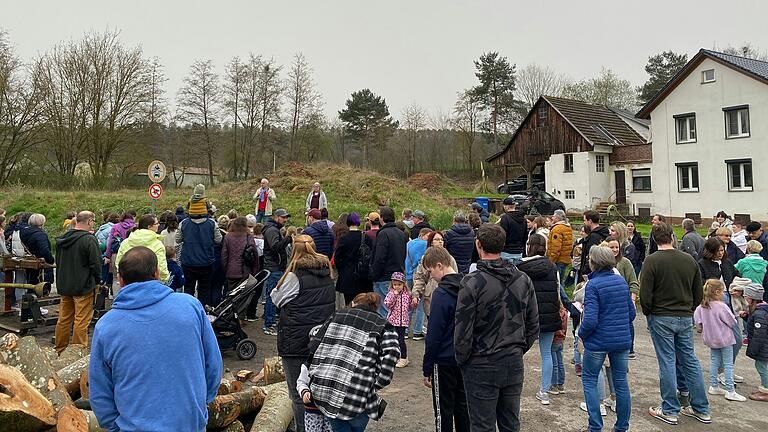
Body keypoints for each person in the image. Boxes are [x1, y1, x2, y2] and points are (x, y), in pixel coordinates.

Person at [89, 246, 222, 432]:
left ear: (120, 279)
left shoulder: (106, 326)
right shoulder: (190, 306)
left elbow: (99, 388)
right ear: (158, 273)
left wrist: (114, 426)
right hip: (189, 424)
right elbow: (213, 364)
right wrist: (200, 407)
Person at [455, 223, 539, 432]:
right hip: (511, 360)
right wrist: (517, 348)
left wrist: (464, 360)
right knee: (510, 423)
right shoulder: (523, 279)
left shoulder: (472, 282)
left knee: (482, 425)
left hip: (481, 362)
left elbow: (462, 329)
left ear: (478, 245)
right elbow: (533, 324)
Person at [640, 222, 711, 425]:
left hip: (661, 315)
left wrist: (649, 312)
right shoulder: (688, 260)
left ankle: (670, 409)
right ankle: (701, 408)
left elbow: (645, 294)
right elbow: (698, 291)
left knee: (667, 361)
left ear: (654, 239)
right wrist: (688, 308)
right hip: (684, 314)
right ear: (672, 237)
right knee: (689, 360)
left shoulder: (651, 261)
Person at [304, 292, 400, 431]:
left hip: (326, 388)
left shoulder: (337, 315)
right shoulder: (384, 326)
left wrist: (315, 373)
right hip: (358, 393)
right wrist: (376, 384)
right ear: (376, 308)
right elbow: (392, 354)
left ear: (355, 304)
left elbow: (314, 346)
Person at [271, 235, 336, 432]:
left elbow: (276, 298)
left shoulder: (293, 276)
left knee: (298, 393)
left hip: (296, 341)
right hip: (322, 340)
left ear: (293, 250)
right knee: (320, 389)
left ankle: (303, 428)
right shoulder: (326, 271)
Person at [579, 245, 635, 432]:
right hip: (621, 340)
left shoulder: (593, 285)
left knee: (589, 379)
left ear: (594, 262)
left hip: (598, 341)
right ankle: (622, 427)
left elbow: (590, 319)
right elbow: (632, 313)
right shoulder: (621, 283)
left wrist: (582, 335)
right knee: (621, 383)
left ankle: (595, 426)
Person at [421, 246, 470, 432]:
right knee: (463, 408)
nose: (431, 275)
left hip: (443, 360)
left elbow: (434, 335)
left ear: (439, 265)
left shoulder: (441, 294)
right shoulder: (469, 287)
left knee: (443, 411)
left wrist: (427, 367)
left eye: (430, 270)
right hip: (465, 358)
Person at [517, 233, 562, 406]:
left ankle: (516, 385)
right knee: (547, 353)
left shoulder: (520, 267)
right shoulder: (552, 267)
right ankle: (544, 391)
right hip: (549, 314)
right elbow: (557, 290)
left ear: (529, 246)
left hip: (527, 316)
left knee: (518, 352)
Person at [54, 211, 101, 353]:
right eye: (93, 221)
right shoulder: (89, 240)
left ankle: (59, 349)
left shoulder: (62, 239)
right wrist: (97, 280)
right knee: (81, 321)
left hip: (65, 285)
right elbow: (96, 264)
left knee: (64, 319)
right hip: (83, 285)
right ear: (89, 222)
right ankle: (77, 352)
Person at [694, 279, 746, 402]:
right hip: (725, 339)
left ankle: (713, 385)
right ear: (717, 292)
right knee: (728, 364)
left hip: (711, 339)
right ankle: (730, 390)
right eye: (723, 291)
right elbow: (732, 322)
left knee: (714, 361)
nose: (724, 294)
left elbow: (697, 322)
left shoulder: (701, 307)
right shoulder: (722, 306)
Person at [175, 207, 223, 307]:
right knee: (205, 289)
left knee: (188, 288)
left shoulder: (184, 223)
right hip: (206, 261)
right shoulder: (212, 223)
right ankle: (202, 311)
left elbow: (178, 239)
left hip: (188, 261)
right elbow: (218, 240)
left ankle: (189, 310)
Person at [412, 232, 457, 333]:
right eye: (437, 239)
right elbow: (420, 277)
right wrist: (416, 294)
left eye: (441, 239)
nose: (440, 241)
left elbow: (455, 276)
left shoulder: (450, 259)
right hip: (430, 298)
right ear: (431, 242)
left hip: (447, 299)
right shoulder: (426, 259)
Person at [369, 206, 408, 317]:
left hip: (384, 277)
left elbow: (379, 258)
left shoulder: (383, 234)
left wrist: (374, 274)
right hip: (398, 275)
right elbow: (403, 254)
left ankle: (385, 332)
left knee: (384, 309)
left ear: (382, 218)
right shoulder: (401, 234)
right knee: (395, 308)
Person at [261, 209, 293, 334]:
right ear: (276, 217)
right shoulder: (272, 230)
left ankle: (270, 319)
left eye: (286, 218)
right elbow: (274, 247)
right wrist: (287, 239)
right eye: (283, 217)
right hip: (273, 267)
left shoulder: (273, 229)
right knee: (272, 296)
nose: (285, 220)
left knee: (273, 295)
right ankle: (268, 324)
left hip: (275, 266)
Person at [115, 214, 169, 283]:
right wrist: (165, 279)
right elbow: (161, 267)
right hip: (150, 283)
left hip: (130, 282)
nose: (159, 225)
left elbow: (119, 262)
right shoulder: (157, 244)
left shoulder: (126, 242)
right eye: (156, 223)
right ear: (149, 226)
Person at [333, 213, 372, 305]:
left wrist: (342, 269)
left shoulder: (344, 239)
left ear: (348, 223)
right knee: (363, 302)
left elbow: (337, 258)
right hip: (363, 276)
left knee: (349, 302)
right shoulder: (366, 237)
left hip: (348, 276)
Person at [384, 271, 415, 368]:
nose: (397, 286)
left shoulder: (407, 294)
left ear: (403, 284)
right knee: (393, 340)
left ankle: (404, 358)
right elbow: (387, 304)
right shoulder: (391, 293)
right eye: (395, 284)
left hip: (403, 322)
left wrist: (414, 303)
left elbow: (409, 307)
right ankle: (394, 356)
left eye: (399, 284)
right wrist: (394, 294)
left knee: (401, 340)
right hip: (393, 321)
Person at [221, 217, 259, 293]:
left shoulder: (228, 237)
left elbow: (224, 256)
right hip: (246, 271)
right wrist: (255, 271)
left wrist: (226, 269)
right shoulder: (249, 237)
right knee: (244, 296)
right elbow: (255, 254)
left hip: (232, 271)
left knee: (231, 295)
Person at [744, 283, 768, 401]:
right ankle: (764, 388)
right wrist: (746, 317)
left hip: (763, 347)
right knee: (762, 366)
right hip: (763, 346)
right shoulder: (759, 311)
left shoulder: (760, 313)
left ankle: (767, 391)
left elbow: (759, 334)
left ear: (752, 298)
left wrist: (753, 349)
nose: (745, 299)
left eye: (747, 297)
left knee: (762, 367)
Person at [405, 226, 430, 339]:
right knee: (420, 305)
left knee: (408, 303)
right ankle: (417, 331)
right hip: (418, 276)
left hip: (408, 275)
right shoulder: (425, 245)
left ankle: (405, 329)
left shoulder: (409, 243)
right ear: (423, 234)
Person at [20, 213, 55, 284]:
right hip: (40, 262)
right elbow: (44, 250)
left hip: (30, 260)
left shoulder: (23, 232)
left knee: (31, 281)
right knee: (40, 285)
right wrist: (51, 260)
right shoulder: (40, 234)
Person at [579, 210, 610, 280]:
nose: (584, 222)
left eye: (585, 220)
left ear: (590, 221)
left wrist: (584, 272)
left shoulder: (594, 236)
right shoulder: (603, 233)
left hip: (592, 272)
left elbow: (591, 255)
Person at [547, 209, 573, 287]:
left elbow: (556, 247)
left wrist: (551, 260)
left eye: (554, 216)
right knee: (560, 280)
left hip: (558, 259)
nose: (552, 218)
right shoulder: (567, 226)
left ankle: (564, 299)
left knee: (557, 282)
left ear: (558, 218)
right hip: (565, 257)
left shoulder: (557, 229)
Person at [498, 197, 526, 264]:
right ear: (514, 206)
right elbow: (525, 236)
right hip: (519, 252)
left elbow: (503, 236)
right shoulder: (523, 219)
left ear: (506, 207)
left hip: (506, 251)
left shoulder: (505, 218)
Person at [550, 302, 568, 396]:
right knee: (561, 363)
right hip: (561, 340)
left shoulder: (554, 313)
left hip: (554, 339)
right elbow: (565, 327)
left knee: (554, 364)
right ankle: (561, 385)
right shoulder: (564, 312)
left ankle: (554, 385)